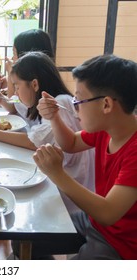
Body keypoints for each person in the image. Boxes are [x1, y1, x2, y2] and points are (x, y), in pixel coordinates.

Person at [30, 54, 137, 259]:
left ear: (106, 105)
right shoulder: (106, 128)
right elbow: (70, 143)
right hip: (95, 223)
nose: (74, 106)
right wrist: (54, 117)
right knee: (28, 240)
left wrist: (57, 174)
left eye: (78, 100)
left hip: (123, 243)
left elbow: (108, 213)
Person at [0, 51, 95, 213]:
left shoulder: (59, 103)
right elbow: (22, 108)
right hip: (59, 184)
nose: (14, 92)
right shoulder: (46, 101)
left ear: (35, 84)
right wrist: (2, 101)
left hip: (69, 200)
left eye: (16, 86)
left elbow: (35, 142)